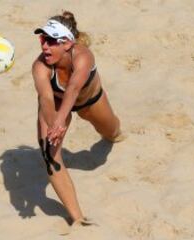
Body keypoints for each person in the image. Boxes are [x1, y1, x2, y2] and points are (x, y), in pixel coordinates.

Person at [32, 11, 125, 227]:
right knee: (49, 155)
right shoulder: (40, 66)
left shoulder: (83, 56)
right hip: (54, 103)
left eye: (52, 41)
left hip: (89, 102)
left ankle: (116, 134)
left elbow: (73, 89)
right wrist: (54, 122)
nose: (45, 46)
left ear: (67, 43)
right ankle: (77, 218)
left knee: (112, 132)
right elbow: (46, 98)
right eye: (42, 39)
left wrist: (59, 121)